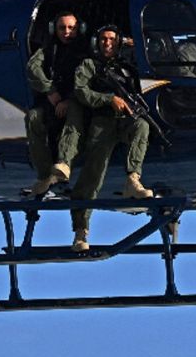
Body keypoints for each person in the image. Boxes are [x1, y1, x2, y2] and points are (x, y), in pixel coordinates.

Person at [66, 25, 154, 251]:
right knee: (93, 174)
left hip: (125, 119)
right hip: (101, 121)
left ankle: (133, 179)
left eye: (112, 40)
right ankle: (80, 231)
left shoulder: (126, 65)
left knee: (142, 127)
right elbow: (80, 90)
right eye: (104, 39)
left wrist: (135, 44)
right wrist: (108, 99)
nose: (107, 43)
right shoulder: (89, 65)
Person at [25, 12, 88, 198]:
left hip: (77, 99)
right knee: (33, 117)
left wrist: (69, 98)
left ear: (79, 29)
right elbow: (32, 68)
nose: (67, 32)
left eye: (71, 28)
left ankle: (64, 162)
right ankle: (45, 175)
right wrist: (50, 91)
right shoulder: (49, 49)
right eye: (62, 28)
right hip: (55, 100)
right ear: (54, 29)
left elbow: (89, 78)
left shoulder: (85, 50)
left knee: (74, 111)